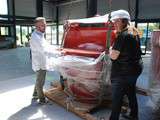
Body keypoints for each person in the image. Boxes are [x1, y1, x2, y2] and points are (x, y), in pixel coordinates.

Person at [109, 10, 143, 120]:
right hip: (135, 69)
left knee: (117, 98)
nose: (114, 24)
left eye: (116, 21)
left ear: (123, 21)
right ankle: (134, 115)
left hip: (123, 73)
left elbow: (113, 56)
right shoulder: (134, 31)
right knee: (131, 93)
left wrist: (110, 49)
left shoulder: (122, 36)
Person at [30, 17, 48, 104]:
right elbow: (44, 49)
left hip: (42, 61)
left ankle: (35, 94)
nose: (45, 26)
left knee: (39, 79)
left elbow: (46, 45)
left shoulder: (40, 34)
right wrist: (57, 53)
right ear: (36, 26)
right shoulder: (35, 37)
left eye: (45, 24)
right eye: (42, 24)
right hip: (39, 63)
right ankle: (42, 99)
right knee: (40, 81)